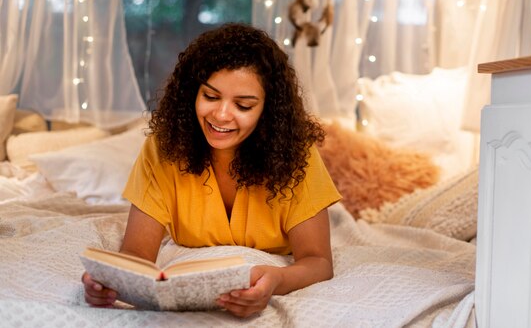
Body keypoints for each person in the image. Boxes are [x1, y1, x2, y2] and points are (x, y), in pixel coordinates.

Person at [81, 23, 342, 318]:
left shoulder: (298, 155)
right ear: (193, 92)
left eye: (243, 105)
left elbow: (318, 260)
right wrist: (111, 280)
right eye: (211, 96)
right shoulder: (163, 147)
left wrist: (277, 279)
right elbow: (138, 254)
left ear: (267, 111)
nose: (220, 115)